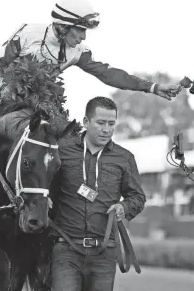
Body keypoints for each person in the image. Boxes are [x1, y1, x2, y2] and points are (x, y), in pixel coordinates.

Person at [0, 0, 182, 103]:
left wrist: (153, 87)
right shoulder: (28, 33)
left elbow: (109, 74)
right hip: (3, 98)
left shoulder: (79, 52)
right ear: (63, 26)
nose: (83, 37)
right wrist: (8, 91)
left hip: (39, 103)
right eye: (80, 31)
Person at [49, 96, 146, 291]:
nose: (107, 129)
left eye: (111, 123)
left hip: (104, 252)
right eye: (101, 123)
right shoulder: (62, 151)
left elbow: (137, 197)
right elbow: (45, 186)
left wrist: (124, 207)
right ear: (86, 122)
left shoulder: (124, 158)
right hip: (66, 249)